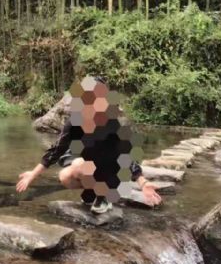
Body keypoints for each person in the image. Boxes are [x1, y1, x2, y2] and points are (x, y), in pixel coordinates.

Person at [16, 77, 162, 214]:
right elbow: (56, 150)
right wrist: (33, 174)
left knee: (82, 165)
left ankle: (105, 195)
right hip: (94, 168)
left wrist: (142, 182)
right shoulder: (75, 122)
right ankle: (95, 192)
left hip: (113, 171)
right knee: (65, 175)